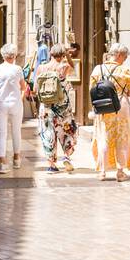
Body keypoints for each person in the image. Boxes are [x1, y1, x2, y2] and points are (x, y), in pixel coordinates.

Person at [90, 43, 130, 182]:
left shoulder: (97, 70)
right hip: (121, 106)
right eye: (125, 57)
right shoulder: (125, 71)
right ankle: (120, 172)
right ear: (119, 55)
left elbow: (92, 89)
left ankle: (102, 172)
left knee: (104, 137)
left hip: (104, 107)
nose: (125, 60)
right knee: (122, 138)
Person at [36, 43, 78, 173]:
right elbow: (73, 67)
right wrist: (68, 55)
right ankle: (66, 156)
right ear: (63, 54)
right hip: (62, 107)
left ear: (51, 54)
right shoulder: (64, 67)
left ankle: (52, 165)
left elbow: (35, 88)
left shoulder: (41, 68)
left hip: (46, 107)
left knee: (48, 133)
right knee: (67, 131)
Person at [0, 43, 26, 175]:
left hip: (0, 103)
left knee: (2, 133)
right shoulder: (18, 69)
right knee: (16, 131)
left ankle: (2, 163)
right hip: (15, 103)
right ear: (14, 55)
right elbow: (23, 87)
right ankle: (16, 159)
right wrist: (20, 96)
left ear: (3, 55)